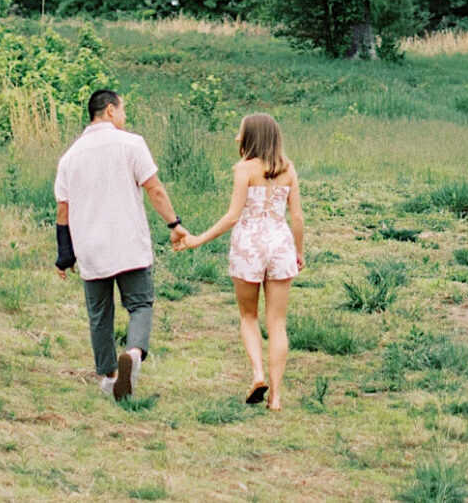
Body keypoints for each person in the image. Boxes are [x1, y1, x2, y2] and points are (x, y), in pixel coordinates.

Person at [54, 88, 187, 401]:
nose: (125, 118)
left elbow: (63, 211)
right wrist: (174, 224)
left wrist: (64, 256)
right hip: (128, 243)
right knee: (140, 304)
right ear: (110, 110)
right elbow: (154, 189)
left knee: (100, 314)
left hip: (90, 248)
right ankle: (134, 354)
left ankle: (109, 376)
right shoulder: (131, 144)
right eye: (123, 111)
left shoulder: (70, 157)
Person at [173, 111, 305, 408]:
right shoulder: (288, 169)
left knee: (248, 316)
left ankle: (258, 375)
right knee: (278, 323)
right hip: (280, 243)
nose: (236, 136)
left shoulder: (244, 169)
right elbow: (296, 216)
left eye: (240, 131)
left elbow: (233, 216)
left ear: (252, 137)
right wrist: (299, 251)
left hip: (249, 246)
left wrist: (197, 239)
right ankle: (276, 396)